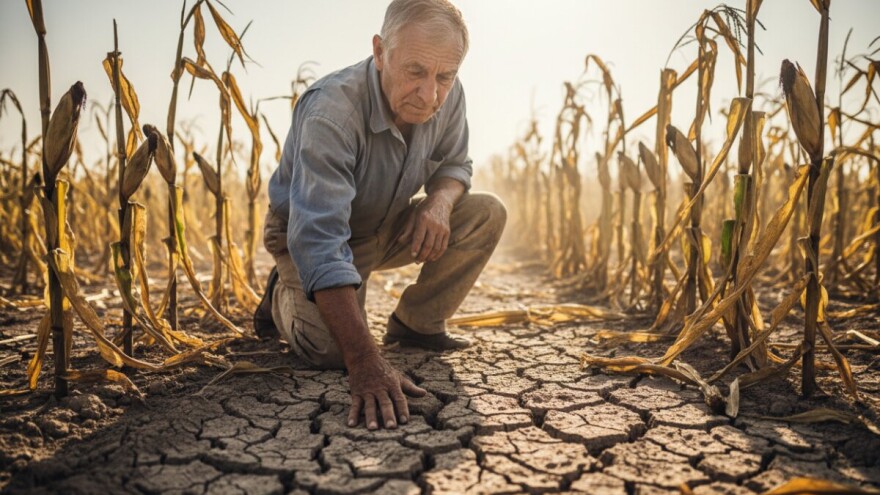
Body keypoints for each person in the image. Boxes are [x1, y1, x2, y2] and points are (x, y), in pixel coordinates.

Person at [255, 0, 506, 431]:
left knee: (485, 212)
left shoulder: (448, 91)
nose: (431, 95)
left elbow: (454, 166)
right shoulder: (331, 114)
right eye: (415, 72)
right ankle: (283, 291)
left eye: (444, 77)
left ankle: (416, 325)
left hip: (384, 222)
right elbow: (320, 240)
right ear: (379, 51)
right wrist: (365, 360)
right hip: (314, 233)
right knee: (332, 353)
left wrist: (438, 203)